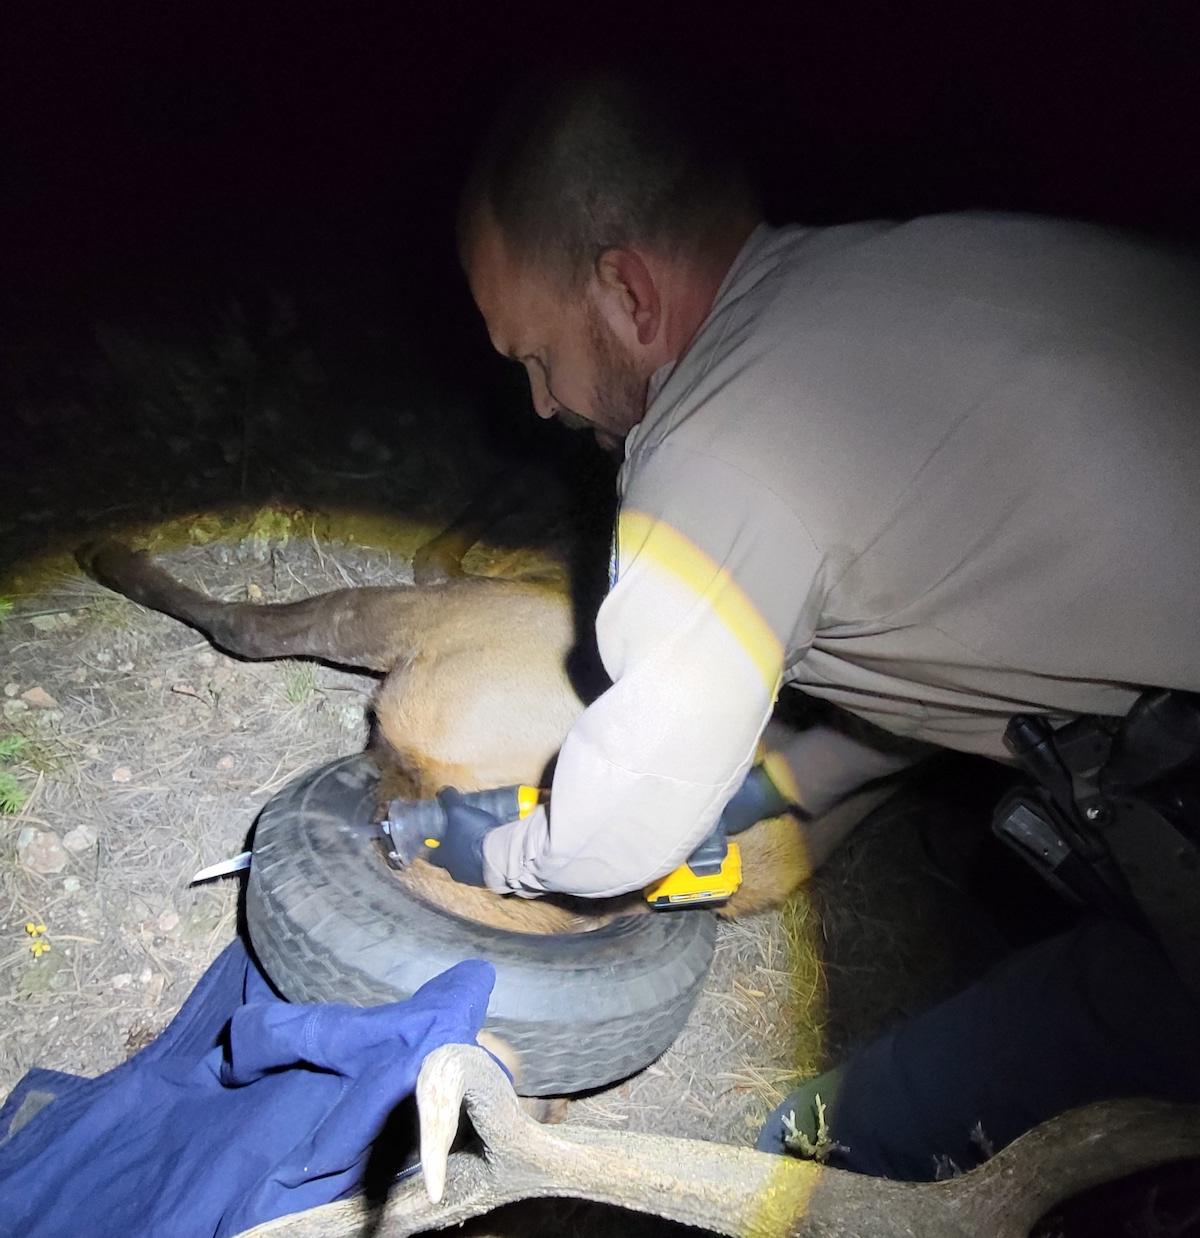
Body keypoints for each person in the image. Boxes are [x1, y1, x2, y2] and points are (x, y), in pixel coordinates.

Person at [424, 70, 1200, 1175]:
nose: (543, 403)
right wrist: (786, 782)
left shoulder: (717, 447)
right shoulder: (896, 280)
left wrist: (502, 851)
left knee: (845, 1137)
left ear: (627, 295)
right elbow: (957, 633)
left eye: (535, 357)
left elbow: (624, 829)